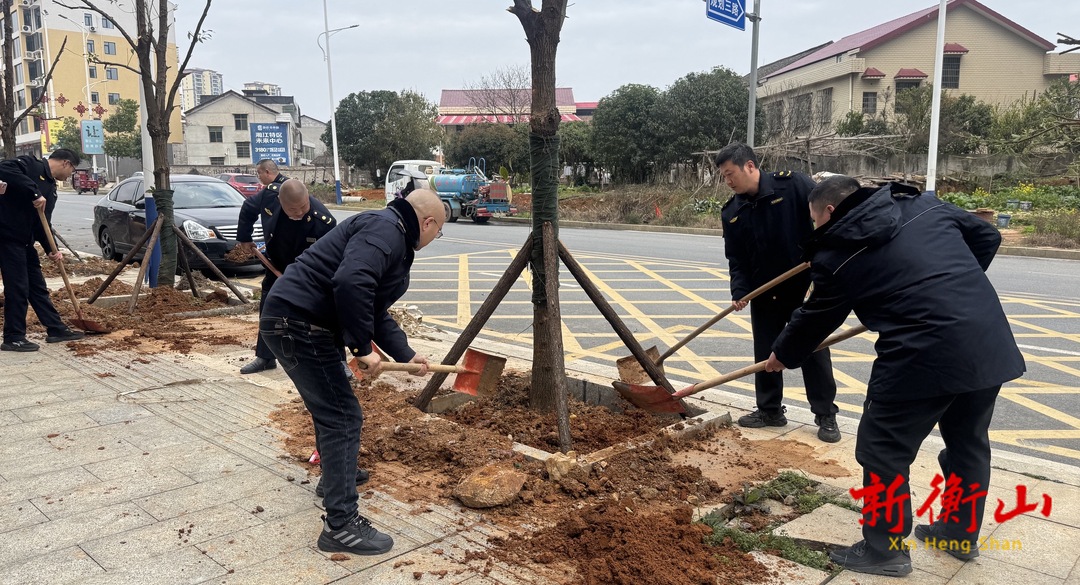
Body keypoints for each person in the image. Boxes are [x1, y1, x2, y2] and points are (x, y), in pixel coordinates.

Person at [764, 176, 1025, 577]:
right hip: (986, 343)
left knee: (882, 449)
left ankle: (884, 550)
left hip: (921, 355)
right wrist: (949, 286)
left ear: (830, 212)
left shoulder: (840, 253)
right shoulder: (924, 206)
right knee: (968, 444)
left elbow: (815, 317)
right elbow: (987, 237)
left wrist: (782, 355)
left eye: (815, 220)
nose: (816, 228)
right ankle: (958, 533)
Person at [259, 189, 446, 555]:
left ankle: (334, 481)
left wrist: (407, 354)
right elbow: (351, 282)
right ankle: (340, 525)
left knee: (330, 410)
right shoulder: (386, 230)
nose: (435, 238)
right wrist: (361, 349)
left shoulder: (387, 229)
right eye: (438, 231)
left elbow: (373, 307)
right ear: (427, 222)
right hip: (298, 323)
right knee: (342, 416)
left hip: (298, 321)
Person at [715, 143, 840, 442]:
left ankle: (826, 414)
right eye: (723, 177)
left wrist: (821, 256)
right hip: (764, 292)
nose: (728, 181)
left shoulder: (793, 184)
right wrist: (740, 290)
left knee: (813, 349)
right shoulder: (732, 211)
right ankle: (770, 410)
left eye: (730, 174)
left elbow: (825, 218)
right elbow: (737, 258)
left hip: (802, 286)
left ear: (749, 166)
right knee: (766, 350)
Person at [235, 178, 336, 374]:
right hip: (277, 264)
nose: (299, 212)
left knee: (326, 312)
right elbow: (248, 208)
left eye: (303, 207)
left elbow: (331, 257)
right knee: (268, 309)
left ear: (308, 198)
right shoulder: (269, 196)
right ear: (280, 201)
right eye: (293, 209)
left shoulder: (323, 220)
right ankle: (265, 357)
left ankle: (338, 359)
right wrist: (245, 238)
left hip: (310, 271)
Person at [0, 149, 86, 352]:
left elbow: (43, 223)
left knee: (37, 286)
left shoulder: (51, 189)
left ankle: (56, 328)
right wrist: (34, 191)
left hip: (25, 241)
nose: (71, 175)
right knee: (18, 287)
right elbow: (2, 168)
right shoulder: (31, 165)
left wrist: (51, 249)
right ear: (66, 163)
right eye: (73, 170)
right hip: (7, 237)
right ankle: (13, 337)